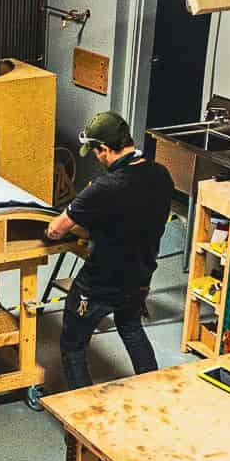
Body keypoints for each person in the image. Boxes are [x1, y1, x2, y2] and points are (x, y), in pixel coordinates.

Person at [44, 110, 173, 390]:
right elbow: (131, 220)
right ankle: (154, 392)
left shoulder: (105, 187)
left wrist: (60, 224)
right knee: (131, 328)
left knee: (74, 347)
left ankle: (84, 418)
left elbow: (55, 229)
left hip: (100, 284)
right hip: (139, 278)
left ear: (104, 149)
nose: (96, 158)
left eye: (95, 152)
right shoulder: (161, 175)